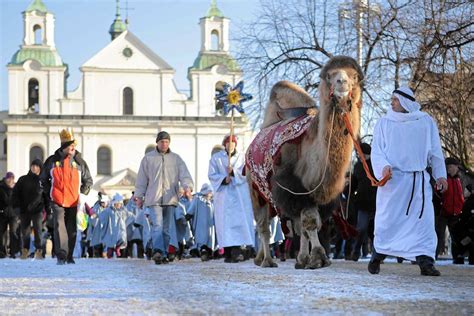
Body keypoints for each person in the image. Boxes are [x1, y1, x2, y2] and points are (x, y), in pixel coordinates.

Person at [369, 87, 447, 276]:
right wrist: (383, 167)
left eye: (395, 100)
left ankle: (425, 262)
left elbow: (435, 151)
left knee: (424, 223)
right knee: (388, 222)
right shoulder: (384, 123)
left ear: (406, 102)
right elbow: (377, 150)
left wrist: (441, 175)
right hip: (393, 182)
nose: (392, 103)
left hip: (418, 182)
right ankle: (377, 255)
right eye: (392, 100)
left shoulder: (426, 122)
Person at [134, 131, 194, 264]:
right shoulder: (148, 159)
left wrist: (187, 187)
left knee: (167, 229)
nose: (164, 144)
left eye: (167, 142)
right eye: (162, 142)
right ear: (157, 142)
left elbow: (184, 175)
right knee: (158, 225)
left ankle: (165, 252)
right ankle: (158, 251)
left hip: (170, 198)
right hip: (154, 198)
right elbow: (141, 180)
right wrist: (139, 196)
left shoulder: (176, 159)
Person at [40, 128, 93, 265]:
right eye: (70, 145)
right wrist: (50, 192)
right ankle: (61, 254)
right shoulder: (52, 161)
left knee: (71, 229)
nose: (73, 148)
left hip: (73, 200)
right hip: (57, 199)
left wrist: (82, 193)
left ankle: (69, 255)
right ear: (64, 147)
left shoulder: (79, 162)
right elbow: (43, 179)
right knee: (59, 225)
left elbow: (88, 180)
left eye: (74, 146)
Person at [208, 135, 255, 263]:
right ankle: (228, 252)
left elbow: (247, 173)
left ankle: (238, 249)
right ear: (225, 144)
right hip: (224, 196)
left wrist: (234, 172)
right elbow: (212, 175)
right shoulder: (216, 159)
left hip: (239, 195)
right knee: (225, 223)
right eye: (228, 143)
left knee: (239, 222)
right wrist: (223, 179)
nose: (231, 145)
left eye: (233, 143)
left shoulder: (242, 158)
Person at [12, 159, 47, 260]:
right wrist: (16, 208)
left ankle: (39, 251)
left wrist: (49, 210)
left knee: (38, 231)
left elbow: (46, 197)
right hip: (24, 210)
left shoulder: (43, 181)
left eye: (36, 166)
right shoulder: (23, 179)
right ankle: (25, 251)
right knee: (25, 232)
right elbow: (15, 194)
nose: (34, 168)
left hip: (38, 210)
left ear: (40, 168)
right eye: (33, 166)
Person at [350, 143, 377, 261]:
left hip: (376, 203)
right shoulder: (357, 166)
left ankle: (377, 255)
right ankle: (356, 252)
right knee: (361, 229)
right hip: (362, 203)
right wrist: (348, 192)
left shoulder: (376, 165)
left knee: (375, 231)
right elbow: (354, 183)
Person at [437, 157, 465, 263]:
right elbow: (438, 193)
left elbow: (461, 195)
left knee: (456, 237)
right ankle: (433, 257)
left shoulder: (460, 179)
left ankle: (457, 258)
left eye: (452, 167)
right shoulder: (443, 179)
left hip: (456, 213)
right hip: (443, 212)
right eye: (449, 167)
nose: (451, 169)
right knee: (439, 235)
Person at [186, 184, 216, 261]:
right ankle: (204, 251)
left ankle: (207, 252)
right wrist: (188, 215)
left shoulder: (212, 200)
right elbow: (191, 209)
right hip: (201, 225)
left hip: (209, 226)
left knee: (208, 238)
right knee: (204, 239)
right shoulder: (198, 199)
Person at [0, 172, 20, 258]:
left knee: (13, 232)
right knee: (2, 233)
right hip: (2, 213)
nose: (10, 180)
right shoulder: (1, 187)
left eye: (12, 178)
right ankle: (2, 252)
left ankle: (13, 252)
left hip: (13, 214)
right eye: (8, 178)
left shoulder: (16, 188)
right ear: (5, 179)